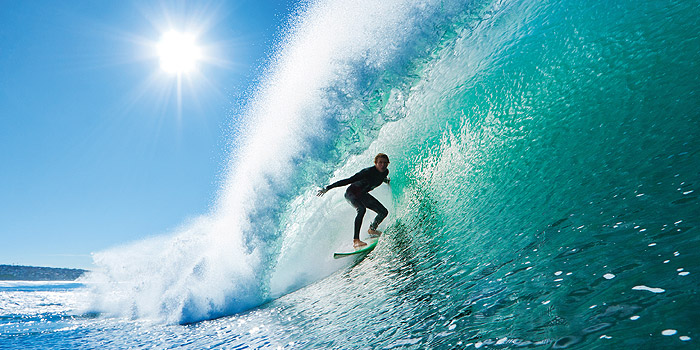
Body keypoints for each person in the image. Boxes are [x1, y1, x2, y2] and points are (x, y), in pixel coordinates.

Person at [317, 153, 391, 248]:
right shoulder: (366, 172)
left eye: (385, 163)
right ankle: (356, 240)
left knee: (383, 212)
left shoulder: (385, 172)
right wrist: (328, 188)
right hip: (352, 193)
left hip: (363, 195)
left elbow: (380, 177)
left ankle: (372, 229)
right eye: (380, 162)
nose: (383, 165)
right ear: (375, 163)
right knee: (361, 209)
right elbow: (348, 180)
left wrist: (386, 181)